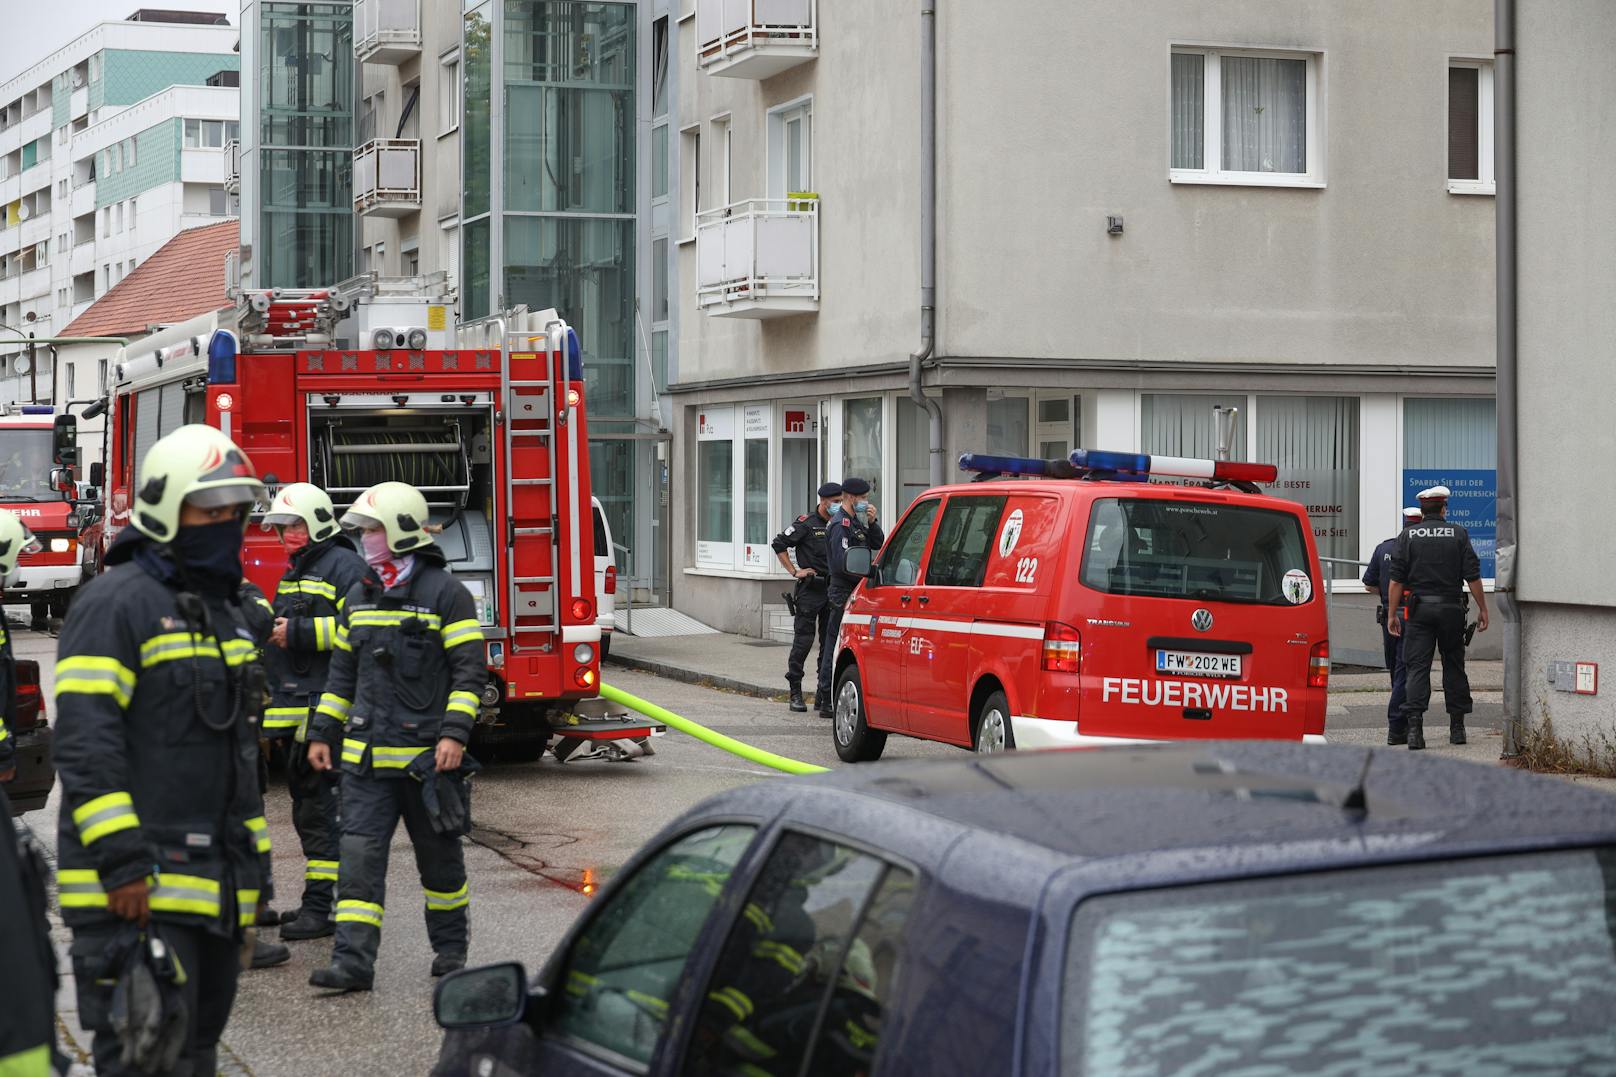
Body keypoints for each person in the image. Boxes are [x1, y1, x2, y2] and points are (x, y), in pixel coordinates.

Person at [52, 424, 274, 1076]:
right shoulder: (114, 604)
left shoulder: (224, 611)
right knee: (146, 1063)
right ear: (164, 510)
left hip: (214, 897)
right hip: (135, 898)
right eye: (210, 512)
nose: (225, 525)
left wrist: (251, 880)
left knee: (195, 1059)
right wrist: (122, 866)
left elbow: (237, 762)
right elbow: (88, 746)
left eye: (234, 513)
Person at [306, 481, 486, 993]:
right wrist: (323, 731)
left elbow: (469, 673)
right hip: (365, 766)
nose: (365, 540)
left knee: (441, 865)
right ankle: (353, 964)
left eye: (372, 530)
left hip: (429, 765)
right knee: (358, 866)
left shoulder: (446, 595)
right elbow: (342, 674)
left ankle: (451, 952)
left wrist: (454, 734)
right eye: (361, 531)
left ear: (403, 531)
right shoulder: (359, 596)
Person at [260, 483, 369, 942]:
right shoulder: (298, 569)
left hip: (328, 713)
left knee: (322, 814)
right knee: (309, 812)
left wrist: (299, 632)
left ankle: (321, 909)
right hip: (302, 711)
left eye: (296, 525)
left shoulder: (345, 566)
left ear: (320, 522)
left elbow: (360, 629)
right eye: (283, 527)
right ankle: (319, 903)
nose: (288, 534)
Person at [1388, 485, 1488, 750]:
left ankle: (1415, 731)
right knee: (1453, 666)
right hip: (1451, 610)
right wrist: (1483, 609)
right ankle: (1457, 728)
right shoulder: (1458, 533)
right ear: (1444, 509)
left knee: (1417, 668)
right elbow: (1473, 576)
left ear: (1422, 511)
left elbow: (1396, 580)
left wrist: (1391, 614)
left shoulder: (1408, 535)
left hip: (1419, 611)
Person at [771, 481, 841, 713]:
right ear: (823, 501)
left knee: (829, 646)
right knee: (803, 642)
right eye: (835, 502)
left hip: (833, 590)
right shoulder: (807, 524)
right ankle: (795, 693)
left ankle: (823, 696)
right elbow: (779, 543)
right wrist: (794, 571)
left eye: (841, 501)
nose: (838, 505)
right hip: (811, 590)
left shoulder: (840, 523)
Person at [821, 478, 884, 719]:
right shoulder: (840, 525)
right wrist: (864, 571)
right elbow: (841, 563)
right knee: (835, 642)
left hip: (855, 590)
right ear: (851, 498)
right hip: (841, 591)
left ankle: (825, 696)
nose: (866, 502)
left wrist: (872, 521)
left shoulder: (857, 522)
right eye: (863, 498)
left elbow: (878, 543)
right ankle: (826, 697)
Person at [1362, 507, 1424, 745]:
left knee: (1395, 669)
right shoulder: (1422, 548)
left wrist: (1389, 596)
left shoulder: (1385, 547)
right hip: (1413, 614)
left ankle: (1402, 717)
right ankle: (1399, 723)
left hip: (1389, 614)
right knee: (1406, 670)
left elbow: (1368, 585)